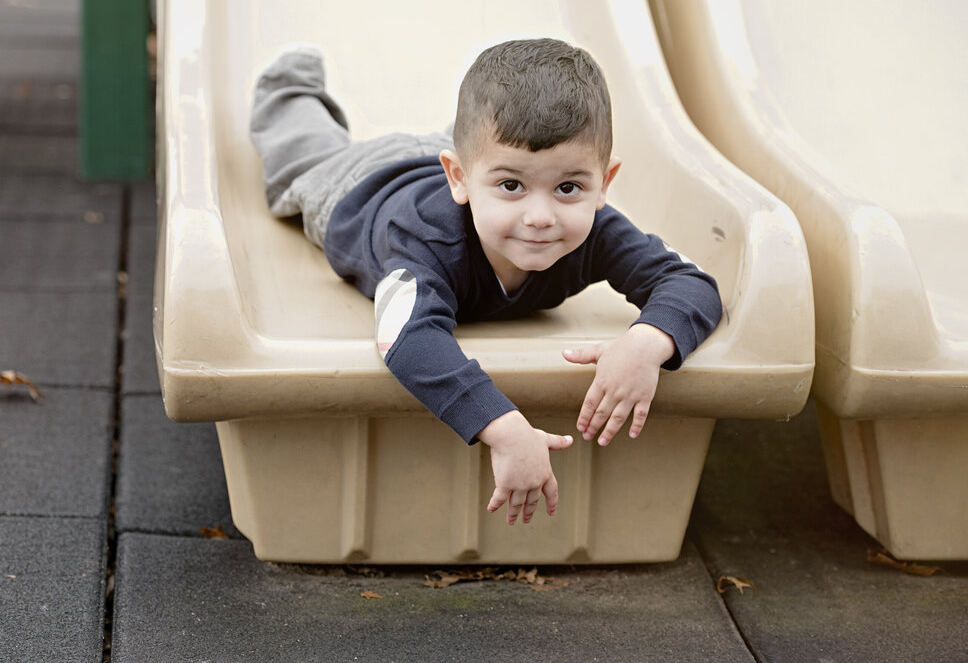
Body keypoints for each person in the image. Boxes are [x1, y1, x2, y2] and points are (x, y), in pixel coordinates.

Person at [250, 38, 723, 527]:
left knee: (504, 142)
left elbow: (691, 283)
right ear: (458, 179)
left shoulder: (593, 228)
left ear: (604, 183)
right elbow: (404, 336)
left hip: (468, 161)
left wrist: (647, 343)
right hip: (356, 183)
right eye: (513, 186)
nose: (540, 217)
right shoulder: (423, 243)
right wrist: (501, 427)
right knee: (298, 157)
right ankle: (291, 88)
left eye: (568, 187)